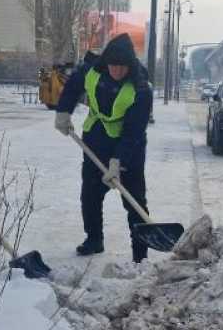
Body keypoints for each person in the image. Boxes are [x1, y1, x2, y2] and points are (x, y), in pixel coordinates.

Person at [54, 33, 154, 263]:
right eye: (113, 66)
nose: (117, 71)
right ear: (106, 62)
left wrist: (119, 162)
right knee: (90, 195)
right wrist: (63, 112)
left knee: (134, 201)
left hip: (129, 150)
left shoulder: (141, 88)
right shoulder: (92, 70)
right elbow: (71, 87)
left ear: (130, 65)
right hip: (96, 141)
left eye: (122, 67)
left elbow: (134, 131)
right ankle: (94, 239)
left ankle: (140, 255)